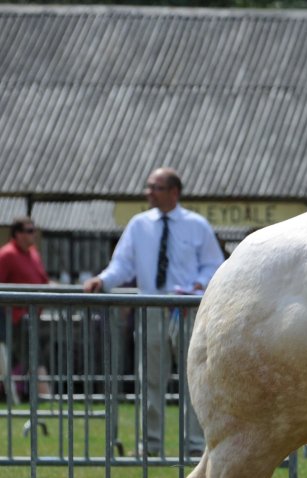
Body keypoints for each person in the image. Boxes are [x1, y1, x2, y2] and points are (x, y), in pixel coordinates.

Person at [83, 168, 224, 457]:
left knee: (193, 380)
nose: (149, 193)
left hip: (186, 310)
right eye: (148, 187)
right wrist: (103, 280)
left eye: (156, 187)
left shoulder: (197, 225)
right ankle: (150, 445)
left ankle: (196, 447)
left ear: (174, 192)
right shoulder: (139, 225)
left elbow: (214, 265)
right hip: (151, 308)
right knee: (150, 378)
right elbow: (122, 264)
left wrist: (199, 283)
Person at [0, 216, 52, 399]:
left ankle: (33, 396)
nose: (33, 234)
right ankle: (45, 396)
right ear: (17, 234)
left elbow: (43, 280)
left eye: (34, 230)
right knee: (33, 355)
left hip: (33, 316)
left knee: (25, 357)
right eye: (29, 231)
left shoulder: (33, 253)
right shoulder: (6, 255)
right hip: (13, 318)